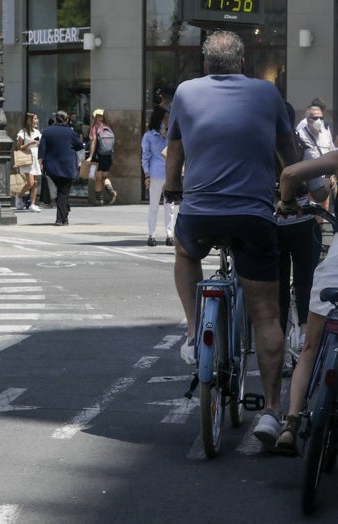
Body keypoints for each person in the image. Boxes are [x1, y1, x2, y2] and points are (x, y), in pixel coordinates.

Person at [164, 30, 300, 448]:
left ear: (206, 66)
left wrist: (173, 188)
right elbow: (287, 153)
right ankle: (273, 413)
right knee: (266, 315)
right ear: (243, 64)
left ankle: (192, 330)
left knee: (186, 251)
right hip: (253, 215)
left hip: (200, 213)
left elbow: (175, 152)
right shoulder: (267, 93)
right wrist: (292, 197)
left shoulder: (185, 92)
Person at [275, 150, 338, 455]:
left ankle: (291, 424)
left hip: (335, 271)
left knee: (310, 347)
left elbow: (289, 174)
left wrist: (287, 202)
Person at [278, 104, 333, 376]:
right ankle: (302, 339)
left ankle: (275, 352)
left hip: (270, 226)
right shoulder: (303, 149)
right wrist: (329, 184)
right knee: (305, 284)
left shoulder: (259, 149)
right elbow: (318, 188)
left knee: (275, 290)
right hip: (301, 225)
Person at [38, 110, 84, 226]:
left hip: (52, 168)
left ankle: (64, 217)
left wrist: (40, 163)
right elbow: (79, 146)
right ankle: (61, 219)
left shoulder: (47, 131)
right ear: (66, 120)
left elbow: (41, 149)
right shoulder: (70, 132)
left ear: (55, 119)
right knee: (63, 193)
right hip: (67, 167)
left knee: (61, 193)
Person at [141, 106, 174, 246]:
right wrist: (147, 175)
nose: (167, 121)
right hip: (155, 174)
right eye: (165, 118)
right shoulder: (149, 136)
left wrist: (167, 136)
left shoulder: (171, 135)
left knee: (170, 206)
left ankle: (169, 234)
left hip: (170, 173)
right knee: (153, 205)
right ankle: (151, 234)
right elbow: (145, 157)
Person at [87, 108, 118, 205]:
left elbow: (94, 142)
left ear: (95, 117)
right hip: (108, 156)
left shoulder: (95, 127)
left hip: (97, 156)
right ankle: (111, 191)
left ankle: (99, 200)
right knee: (105, 177)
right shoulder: (107, 126)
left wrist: (90, 156)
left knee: (98, 178)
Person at [15, 112, 42, 212]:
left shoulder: (37, 132)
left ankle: (32, 204)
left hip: (35, 157)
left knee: (35, 182)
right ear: (29, 120)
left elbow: (40, 145)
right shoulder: (22, 133)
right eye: (35, 118)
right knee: (30, 182)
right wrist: (29, 143)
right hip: (26, 158)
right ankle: (19, 195)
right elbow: (19, 147)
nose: (37, 120)